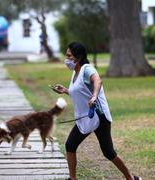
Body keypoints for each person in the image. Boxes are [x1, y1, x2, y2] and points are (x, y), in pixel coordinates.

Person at [53, 42, 141, 180]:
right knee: (70, 145)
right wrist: (65, 90)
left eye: (69, 56)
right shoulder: (75, 73)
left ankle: (131, 178)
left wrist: (95, 95)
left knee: (108, 152)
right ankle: (72, 178)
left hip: (99, 117)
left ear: (79, 57)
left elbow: (98, 81)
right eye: (66, 55)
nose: (67, 59)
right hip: (84, 117)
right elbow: (80, 92)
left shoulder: (87, 69)